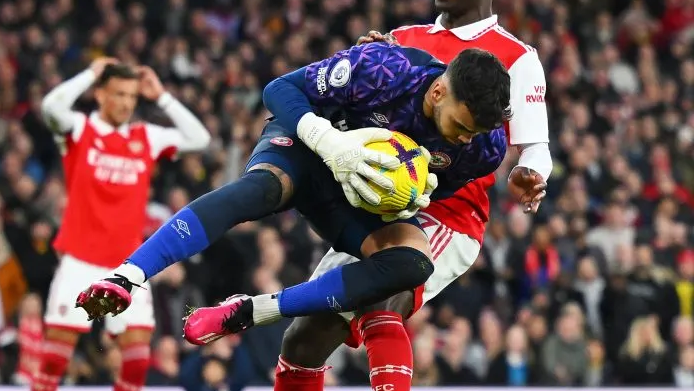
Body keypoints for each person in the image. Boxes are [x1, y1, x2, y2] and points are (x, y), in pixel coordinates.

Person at [216, 0, 553, 391]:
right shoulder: (401, 38)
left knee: (381, 298)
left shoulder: (517, 59)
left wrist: (532, 174)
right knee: (302, 343)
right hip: (377, 214)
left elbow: (537, 147)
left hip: (447, 219)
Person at [78, 43, 511, 343]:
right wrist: (329, 142)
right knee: (259, 190)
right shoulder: (385, 69)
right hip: (307, 148)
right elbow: (279, 90)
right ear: (438, 92)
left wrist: (414, 198)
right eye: (461, 125)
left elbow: (439, 185)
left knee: (414, 263)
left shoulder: (484, 148)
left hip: (354, 196)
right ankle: (127, 276)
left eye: (475, 133)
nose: (463, 140)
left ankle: (249, 311)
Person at [21, 57, 210, 391]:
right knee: (54, 359)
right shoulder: (80, 130)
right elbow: (51, 106)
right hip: (78, 261)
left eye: (131, 95)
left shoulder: (147, 137)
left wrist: (160, 95)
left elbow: (199, 137)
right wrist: (89, 73)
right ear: (101, 94)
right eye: (118, 94)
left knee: (138, 360)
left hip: (128, 267)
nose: (126, 103)